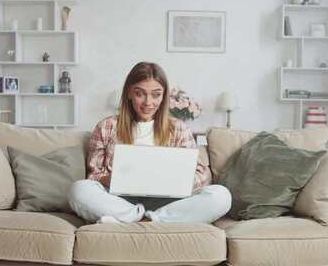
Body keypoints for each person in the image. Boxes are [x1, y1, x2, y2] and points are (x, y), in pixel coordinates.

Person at [68, 62, 231, 224]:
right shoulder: (107, 126)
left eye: (156, 94)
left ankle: (148, 219)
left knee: (221, 196)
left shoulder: (179, 129)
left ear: (164, 95)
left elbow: (201, 176)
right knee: (79, 190)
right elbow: (93, 175)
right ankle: (139, 216)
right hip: (120, 200)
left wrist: (175, 180)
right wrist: (108, 179)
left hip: (168, 201)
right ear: (129, 93)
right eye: (140, 94)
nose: (148, 102)